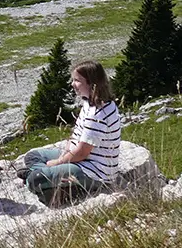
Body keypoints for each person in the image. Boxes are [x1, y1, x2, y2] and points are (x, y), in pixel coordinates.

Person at [18, 61, 121, 205]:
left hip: (94, 171)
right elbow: (77, 135)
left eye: (77, 81)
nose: (73, 84)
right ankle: (41, 176)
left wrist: (58, 162)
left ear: (91, 83)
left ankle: (35, 176)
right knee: (33, 155)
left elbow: (82, 152)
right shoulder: (89, 103)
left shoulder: (98, 113)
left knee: (36, 179)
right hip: (81, 159)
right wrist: (66, 151)